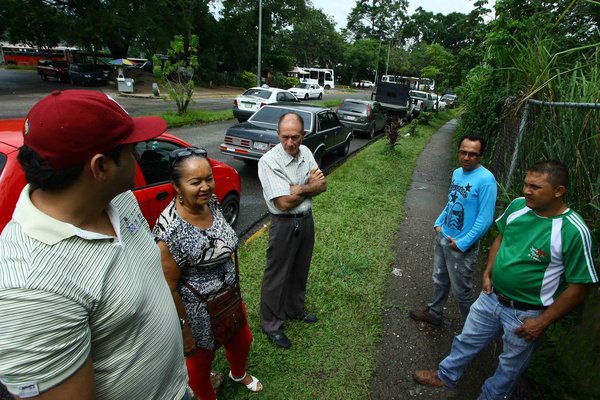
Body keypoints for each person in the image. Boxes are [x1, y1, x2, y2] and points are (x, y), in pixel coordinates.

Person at [0, 90, 189, 399]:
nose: (138, 157)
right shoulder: (31, 290)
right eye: (130, 150)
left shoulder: (118, 199)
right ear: (100, 168)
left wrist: (180, 326)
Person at [414, 160, 598, 400]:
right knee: (466, 339)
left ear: (558, 191)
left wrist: (542, 322)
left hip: (526, 314)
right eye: (525, 184)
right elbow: (501, 238)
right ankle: (446, 374)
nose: (526, 191)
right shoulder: (518, 207)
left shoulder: (573, 231)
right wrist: (488, 272)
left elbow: (579, 287)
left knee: (510, 366)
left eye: (535, 187)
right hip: (491, 297)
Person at [153, 148, 262, 400]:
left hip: (229, 297)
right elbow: (168, 286)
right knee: (200, 364)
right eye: (195, 182)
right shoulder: (170, 231)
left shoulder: (210, 203)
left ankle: (238, 373)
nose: (206, 187)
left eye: (208, 178)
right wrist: (185, 331)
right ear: (177, 187)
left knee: (242, 340)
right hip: (198, 312)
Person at [410, 134, 497, 325]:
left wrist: (463, 243)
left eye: (473, 154)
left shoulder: (486, 180)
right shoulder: (457, 173)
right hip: (444, 235)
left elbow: (485, 219)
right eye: (463, 152)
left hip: (461, 245)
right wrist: (438, 222)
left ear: (481, 156)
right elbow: (452, 201)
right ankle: (435, 312)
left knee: (462, 291)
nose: (466, 158)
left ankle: (472, 330)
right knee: (439, 278)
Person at [257, 112, 327, 349]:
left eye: (295, 137)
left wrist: (297, 189)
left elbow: (322, 185)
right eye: (285, 137)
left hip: (306, 220)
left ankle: (294, 309)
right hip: (284, 224)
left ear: (303, 135)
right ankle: (271, 324)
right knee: (277, 275)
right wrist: (309, 187)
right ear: (278, 134)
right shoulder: (269, 161)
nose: (290, 143)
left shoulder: (306, 152)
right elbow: (283, 203)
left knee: (300, 268)